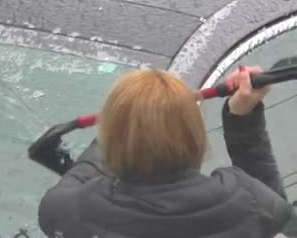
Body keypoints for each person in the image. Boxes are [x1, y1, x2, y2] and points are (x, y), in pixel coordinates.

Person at [38, 66, 293, 238]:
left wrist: (127, 119)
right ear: (194, 135)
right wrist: (242, 117)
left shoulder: (70, 212)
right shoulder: (248, 203)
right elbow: (277, 209)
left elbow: (83, 174)